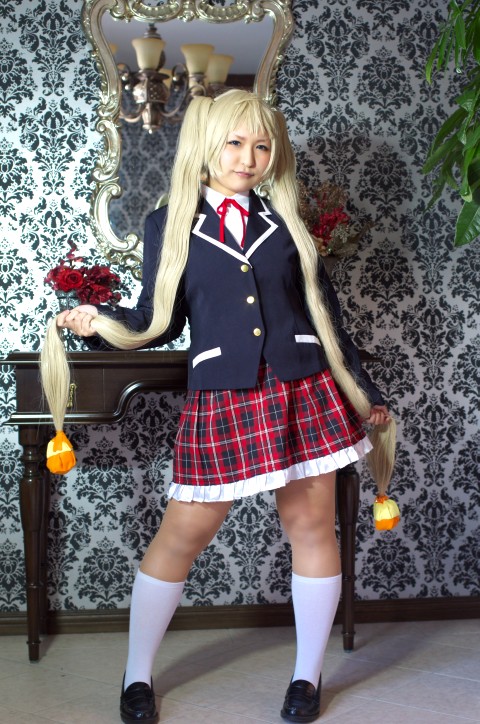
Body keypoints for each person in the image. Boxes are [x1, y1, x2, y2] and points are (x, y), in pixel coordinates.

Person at [42, 89, 394, 723]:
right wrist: (99, 322)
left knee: (312, 527)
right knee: (183, 532)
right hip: (223, 392)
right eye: (235, 143)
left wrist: (363, 390)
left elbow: (326, 313)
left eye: (261, 145)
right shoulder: (169, 223)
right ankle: (137, 675)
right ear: (208, 144)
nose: (248, 158)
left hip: (302, 385)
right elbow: (160, 317)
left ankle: (306, 678)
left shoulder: (286, 222)